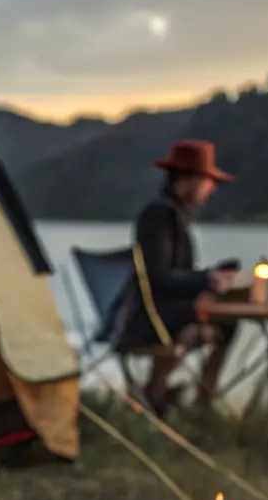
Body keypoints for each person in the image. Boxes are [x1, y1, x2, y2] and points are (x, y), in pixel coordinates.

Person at [103, 139, 241, 416]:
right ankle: (159, 393)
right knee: (214, 323)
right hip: (145, 318)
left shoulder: (173, 214)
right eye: (208, 182)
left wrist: (208, 276)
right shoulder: (158, 216)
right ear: (191, 181)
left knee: (226, 323)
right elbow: (158, 277)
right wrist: (206, 281)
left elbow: (176, 273)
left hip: (161, 312)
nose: (211, 190)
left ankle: (193, 398)